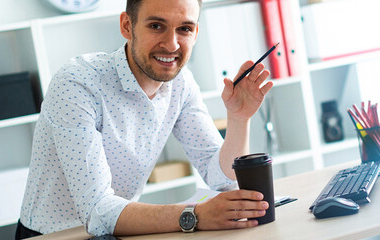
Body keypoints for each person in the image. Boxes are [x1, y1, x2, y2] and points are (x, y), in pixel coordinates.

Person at [16, 0, 274, 238]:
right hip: (53, 235)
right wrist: (194, 215)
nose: (172, 44)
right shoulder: (77, 84)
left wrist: (239, 119)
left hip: (117, 230)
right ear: (127, 26)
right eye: (156, 26)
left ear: (195, 34)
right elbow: (98, 210)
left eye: (184, 28)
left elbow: (223, 179)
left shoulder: (181, 84)